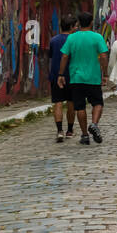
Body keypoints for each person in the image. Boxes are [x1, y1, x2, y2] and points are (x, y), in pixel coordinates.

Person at [59, 10, 109, 145]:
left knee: (80, 107)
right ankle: (94, 124)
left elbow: (64, 56)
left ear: (79, 23)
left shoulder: (71, 38)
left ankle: (85, 135)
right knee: (98, 103)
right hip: (93, 77)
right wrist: (105, 74)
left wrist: (60, 74)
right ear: (92, 22)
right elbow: (104, 56)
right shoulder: (97, 37)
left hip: (76, 77)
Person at [47, 13, 78, 143]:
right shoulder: (75, 40)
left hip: (56, 75)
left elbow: (51, 57)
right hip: (71, 75)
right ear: (71, 26)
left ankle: (59, 131)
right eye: (75, 26)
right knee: (71, 103)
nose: (76, 28)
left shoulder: (53, 40)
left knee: (58, 103)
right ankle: (70, 130)